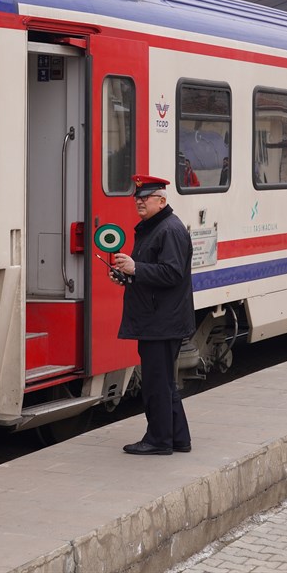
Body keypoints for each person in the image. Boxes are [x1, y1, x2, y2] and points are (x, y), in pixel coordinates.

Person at [110, 174, 195, 455]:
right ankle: (178, 438)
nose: (139, 202)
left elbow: (172, 273)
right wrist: (128, 274)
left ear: (162, 200)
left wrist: (136, 269)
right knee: (164, 382)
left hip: (162, 320)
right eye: (137, 198)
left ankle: (159, 440)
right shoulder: (154, 227)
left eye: (145, 198)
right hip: (159, 317)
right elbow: (152, 270)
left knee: (156, 384)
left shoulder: (168, 230)